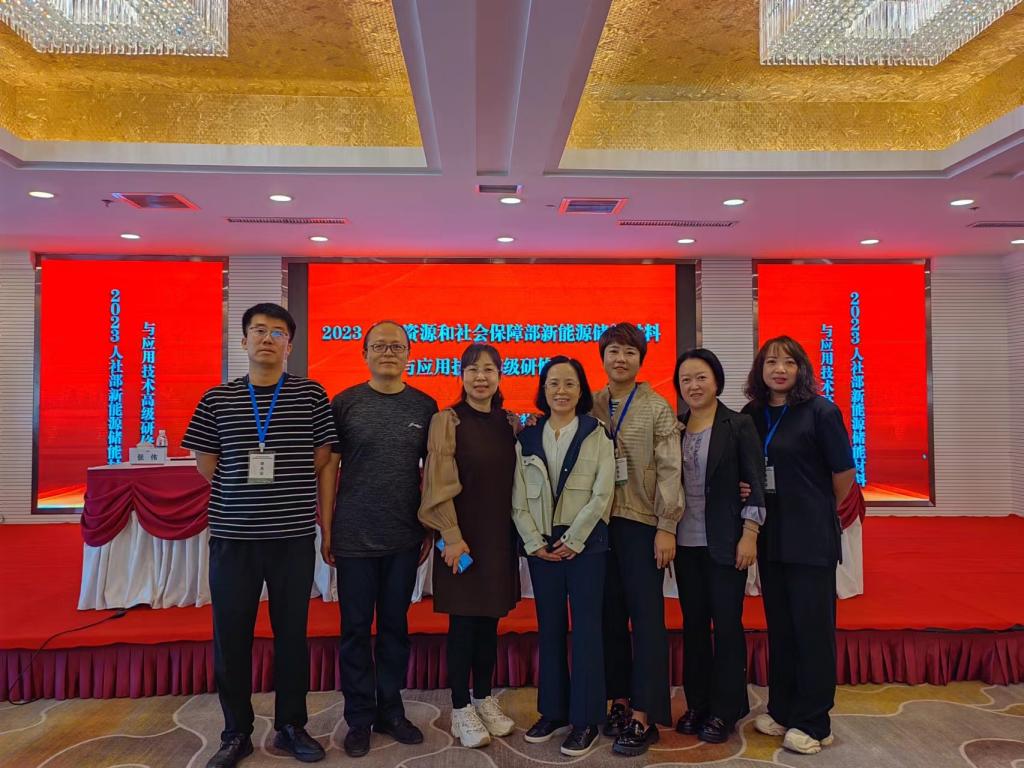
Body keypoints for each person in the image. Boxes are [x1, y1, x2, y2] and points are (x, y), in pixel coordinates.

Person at [182, 302, 338, 768]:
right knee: (231, 637)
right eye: (259, 331)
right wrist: (244, 492)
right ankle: (236, 732)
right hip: (234, 538)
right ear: (243, 340)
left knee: (292, 634)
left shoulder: (311, 394)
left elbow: (322, 456)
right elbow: (207, 463)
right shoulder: (217, 399)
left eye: (277, 333)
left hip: (291, 537)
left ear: (290, 345)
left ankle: (292, 726)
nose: (267, 338)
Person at [324, 320, 439, 758]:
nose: (388, 352)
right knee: (354, 630)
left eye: (397, 346)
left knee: (395, 627)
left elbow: (433, 472)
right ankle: (358, 717)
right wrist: (327, 527)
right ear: (365, 353)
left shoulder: (424, 405)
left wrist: (429, 525)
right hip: (354, 536)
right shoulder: (346, 402)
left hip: (404, 537)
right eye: (379, 345)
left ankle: (391, 710)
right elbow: (330, 468)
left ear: (409, 354)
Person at [741, 336, 855, 755]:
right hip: (770, 536)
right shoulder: (752, 415)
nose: (779, 369)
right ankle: (784, 709)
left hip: (810, 538)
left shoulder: (822, 412)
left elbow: (843, 475)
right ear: (760, 370)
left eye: (789, 362)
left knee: (812, 631)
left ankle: (814, 722)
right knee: (782, 628)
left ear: (802, 368)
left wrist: (814, 504)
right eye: (771, 362)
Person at [418, 343, 520, 749]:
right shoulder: (448, 421)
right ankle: (460, 707)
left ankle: (482, 698)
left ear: (499, 376)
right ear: (461, 376)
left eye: (489, 370)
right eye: (473, 370)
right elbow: (437, 483)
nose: (481, 377)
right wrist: (451, 535)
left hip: (498, 538)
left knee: (489, 623)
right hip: (460, 538)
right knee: (462, 625)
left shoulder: (508, 423)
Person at [512, 356, 615, 758]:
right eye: (553, 383)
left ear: (581, 390)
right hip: (542, 547)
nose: (561, 391)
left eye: (569, 383)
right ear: (543, 389)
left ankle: (586, 718)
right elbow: (518, 498)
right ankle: (553, 711)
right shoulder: (527, 438)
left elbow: (603, 493)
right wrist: (533, 542)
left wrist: (575, 539)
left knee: (587, 630)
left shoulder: (596, 433)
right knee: (550, 628)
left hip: (586, 545)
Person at [590, 323, 682, 756]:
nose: (620, 359)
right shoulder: (591, 403)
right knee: (608, 618)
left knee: (646, 621)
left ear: (641, 359)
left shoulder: (657, 407)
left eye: (629, 352)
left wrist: (667, 526)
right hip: (597, 525)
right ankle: (619, 701)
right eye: (613, 351)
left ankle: (645, 714)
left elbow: (670, 469)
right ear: (602, 358)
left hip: (643, 523)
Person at [673, 348, 766, 744]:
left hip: (727, 541)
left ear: (716, 381)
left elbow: (755, 481)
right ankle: (698, 704)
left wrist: (750, 533)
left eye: (701, 377)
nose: (693, 386)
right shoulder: (676, 427)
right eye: (686, 380)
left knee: (727, 625)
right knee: (693, 626)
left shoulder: (738, 424)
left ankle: (726, 709)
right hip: (685, 543)